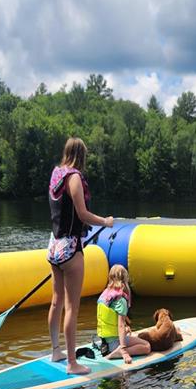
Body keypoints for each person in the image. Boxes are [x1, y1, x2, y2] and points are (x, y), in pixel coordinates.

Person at [48, 137, 114, 375]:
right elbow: (83, 214)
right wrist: (105, 222)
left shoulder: (56, 174)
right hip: (70, 247)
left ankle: (56, 350)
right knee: (71, 307)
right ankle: (71, 363)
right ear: (81, 155)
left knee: (56, 301)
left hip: (54, 245)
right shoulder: (74, 177)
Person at [96, 264, 151, 364]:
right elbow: (120, 325)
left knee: (131, 336)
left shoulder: (105, 294)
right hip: (114, 344)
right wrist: (124, 349)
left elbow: (111, 320)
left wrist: (125, 329)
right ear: (125, 279)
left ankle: (116, 349)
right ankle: (118, 353)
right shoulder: (120, 299)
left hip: (105, 343)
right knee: (147, 346)